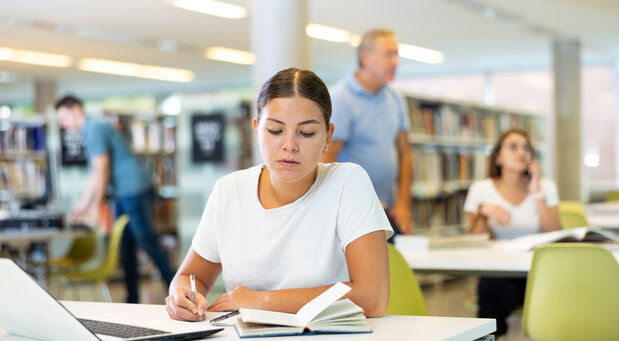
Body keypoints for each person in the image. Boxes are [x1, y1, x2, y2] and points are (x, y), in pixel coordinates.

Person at [166, 68, 392, 321]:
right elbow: (189, 278)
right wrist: (182, 295)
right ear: (256, 129)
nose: (290, 145)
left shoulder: (348, 182)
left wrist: (261, 301)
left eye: (306, 133)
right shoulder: (229, 190)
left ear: (328, 136)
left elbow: (373, 297)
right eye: (275, 130)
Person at [55, 95, 174, 303]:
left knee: (146, 241)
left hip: (133, 188)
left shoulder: (94, 129)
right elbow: (95, 173)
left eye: (64, 119)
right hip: (123, 191)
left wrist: (97, 204)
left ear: (75, 109)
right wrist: (83, 206)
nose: (63, 125)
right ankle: (132, 298)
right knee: (125, 245)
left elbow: (103, 169)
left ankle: (175, 289)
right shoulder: (90, 130)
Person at [463, 128, 561, 337]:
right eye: (513, 147)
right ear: (498, 157)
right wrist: (482, 213)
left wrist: (536, 193)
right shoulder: (481, 189)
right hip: (499, 273)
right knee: (493, 291)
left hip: (539, 274)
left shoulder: (546, 188)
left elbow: (555, 234)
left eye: (526, 148)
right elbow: (473, 241)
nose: (522, 152)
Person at [321, 28, 413, 239]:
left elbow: (405, 154)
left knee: (397, 267)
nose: (395, 62)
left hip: (388, 208)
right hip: (354, 210)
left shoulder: (396, 99)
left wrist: (403, 203)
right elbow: (326, 157)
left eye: (397, 54)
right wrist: (360, 199)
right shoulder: (341, 98)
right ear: (365, 57)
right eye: (388, 54)